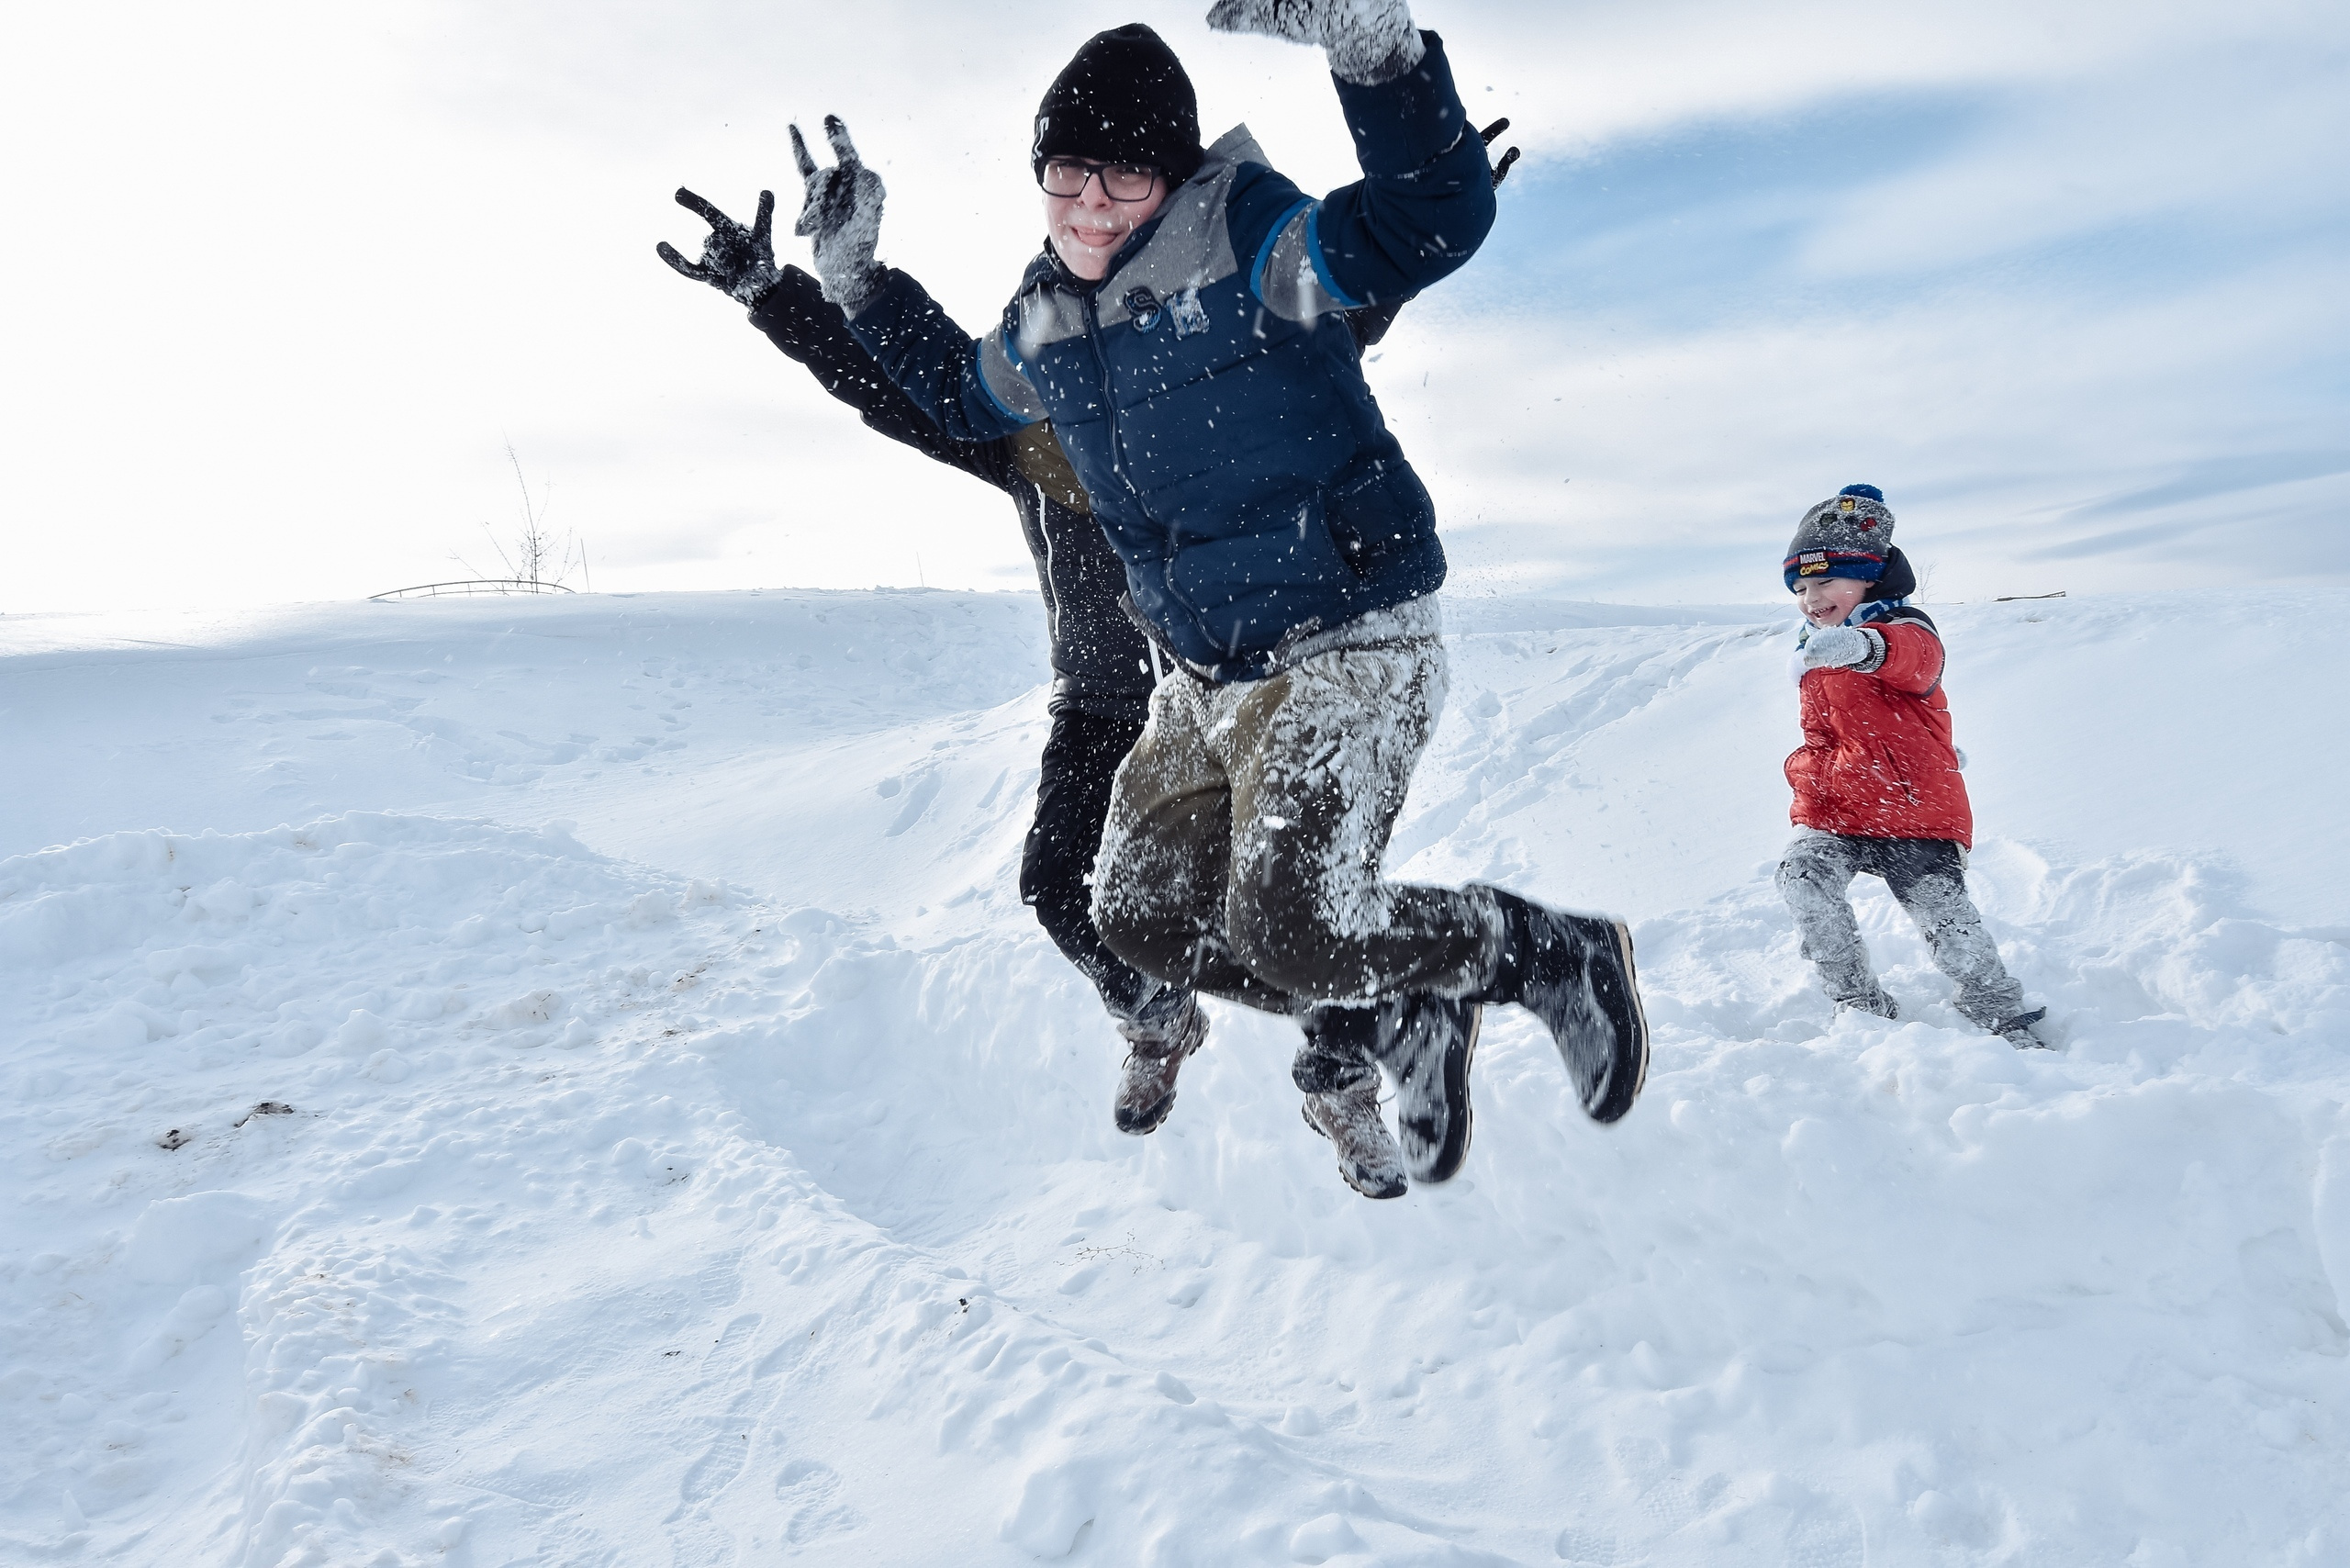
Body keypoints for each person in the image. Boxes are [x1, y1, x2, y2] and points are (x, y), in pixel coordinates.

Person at [778, 2, 1651, 1201]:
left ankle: (1551, 953)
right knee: (1135, 920)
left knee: (1295, 928)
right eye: (1068, 172)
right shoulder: (1043, 321)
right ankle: (1402, 1002)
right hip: (1202, 677)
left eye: (1126, 176)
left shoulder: (1254, 250)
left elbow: (1425, 219)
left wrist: (1375, 54)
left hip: (1346, 635)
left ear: (1172, 174)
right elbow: (955, 394)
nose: (1091, 203)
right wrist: (857, 283)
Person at [655, 125, 1518, 1146]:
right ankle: (1158, 1017)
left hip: (1242, 671)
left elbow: (1325, 312)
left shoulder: (1206, 379)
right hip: (1106, 694)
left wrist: (1424, 204)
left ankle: (1343, 1074)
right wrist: (776, 296)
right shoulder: (1018, 431)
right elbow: (886, 385)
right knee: (1057, 886)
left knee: (1288, 902)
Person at [1776, 484, 2051, 1048]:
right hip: (1843, 813)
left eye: (1827, 581)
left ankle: (1996, 1008)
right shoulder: (1813, 654)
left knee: (1947, 922)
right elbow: (1822, 737)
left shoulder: (1907, 626)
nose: (1812, 597)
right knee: (1801, 878)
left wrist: (1862, 648)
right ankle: (1857, 1003)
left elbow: (1913, 661)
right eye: (1801, 588)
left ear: (1869, 577)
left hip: (1915, 813)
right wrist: (1810, 795)